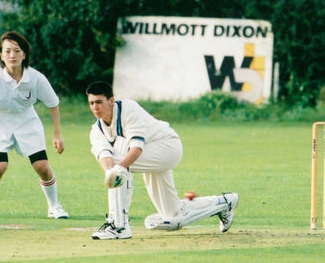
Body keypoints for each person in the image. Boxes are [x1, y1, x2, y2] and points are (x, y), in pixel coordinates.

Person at [85, 81, 239, 240]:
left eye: (99, 102)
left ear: (111, 100)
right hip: (151, 155)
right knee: (173, 216)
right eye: (91, 103)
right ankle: (224, 203)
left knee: (120, 166)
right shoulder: (96, 131)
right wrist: (110, 173)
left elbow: (136, 148)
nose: (95, 107)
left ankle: (119, 225)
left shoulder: (127, 109)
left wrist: (116, 171)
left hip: (167, 146)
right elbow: (104, 156)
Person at [0, 31, 69, 220]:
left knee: (43, 167)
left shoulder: (36, 78)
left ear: (24, 54)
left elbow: (53, 103)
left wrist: (57, 134)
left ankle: (54, 206)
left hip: (27, 122)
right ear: (1, 55)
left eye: (16, 51)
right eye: (7, 51)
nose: (12, 55)